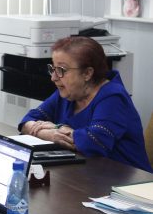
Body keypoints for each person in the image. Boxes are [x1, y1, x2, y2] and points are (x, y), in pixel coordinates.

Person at [19, 36, 152, 172]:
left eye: (61, 70)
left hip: (128, 185)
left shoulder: (113, 97)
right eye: (53, 69)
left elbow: (93, 142)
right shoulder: (68, 93)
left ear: (87, 73)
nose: (53, 77)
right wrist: (52, 134)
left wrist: (54, 127)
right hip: (86, 174)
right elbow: (26, 122)